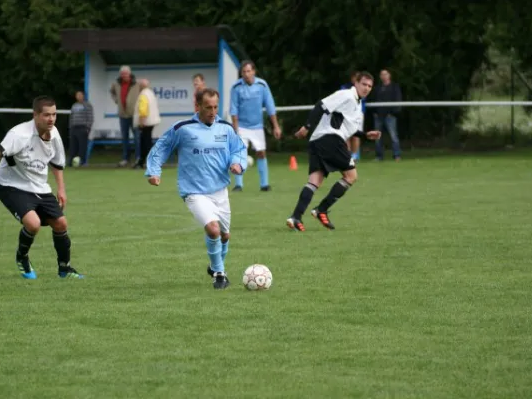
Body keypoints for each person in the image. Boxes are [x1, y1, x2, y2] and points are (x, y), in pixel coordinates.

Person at [0, 96, 84, 280]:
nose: (51, 119)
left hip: (39, 186)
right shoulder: (19, 135)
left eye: (54, 114)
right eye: (46, 115)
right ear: (35, 115)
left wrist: (61, 189)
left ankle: (64, 269)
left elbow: (57, 164)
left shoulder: (54, 134)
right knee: (33, 224)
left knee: (61, 224)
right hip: (11, 185)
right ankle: (22, 257)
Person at [145, 88, 247, 289]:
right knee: (213, 229)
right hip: (194, 191)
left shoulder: (225, 129)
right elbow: (162, 147)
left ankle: (215, 265)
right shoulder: (183, 128)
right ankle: (219, 274)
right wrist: (154, 171)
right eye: (208, 107)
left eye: (215, 107)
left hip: (220, 191)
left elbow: (238, 149)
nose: (212, 111)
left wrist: (237, 164)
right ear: (197, 106)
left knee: (225, 235)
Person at [286, 72, 381, 232]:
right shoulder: (346, 95)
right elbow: (321, 105)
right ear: (356, 83)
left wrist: (365, 135)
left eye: (370, 86)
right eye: (364, 84)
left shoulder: (358, 107)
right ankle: (321, 210)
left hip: (318, 141)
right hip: (330, 140)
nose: (366, 88)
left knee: (314, 181)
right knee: (351, 176)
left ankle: (295, 217)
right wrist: (306, 126)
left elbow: (346, 126)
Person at [229, 60, 281, 192]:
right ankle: (239, 185)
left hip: (257, 126)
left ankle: (264, 184)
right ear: (241, 73)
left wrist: (276, 126)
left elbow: (270, 106)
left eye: (248, 71)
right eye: (244, 72)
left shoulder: (262, 85)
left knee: (261, 153)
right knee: (239, 154)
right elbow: (234, 110)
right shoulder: (236, 88)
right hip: (241, 126)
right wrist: (235, 130)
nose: (246, 74)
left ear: (253, 71)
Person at [109, 65, 141, 167]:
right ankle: (125, 159)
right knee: (125, 138)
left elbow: (146, 92)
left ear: (130, 74)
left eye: (126, 74)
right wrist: (116, 100)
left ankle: (138, 158)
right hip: (122, 115)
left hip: (134, 114)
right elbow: (112, 92)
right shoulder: (116, 84)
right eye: (122, 74)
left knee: (137, 138)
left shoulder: (137, 83)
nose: (124, 76)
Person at [372, 68, 403, 161]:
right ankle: (379, 156)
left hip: (390, 116)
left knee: (394, 136)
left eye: (385, 74)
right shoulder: (377, 88)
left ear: (389, 75)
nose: (383, 76)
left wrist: (393, 112)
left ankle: (396, 155)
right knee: (377, 137)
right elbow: (373, 100)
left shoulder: (394, 87)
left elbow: (398, 100)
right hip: (379, 116)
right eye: (382, 74)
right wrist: (375, 113)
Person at [133, 78, 161, 169]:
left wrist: (141, 122)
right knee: (146, 142)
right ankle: (143, 161)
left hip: (145, 122)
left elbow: (143, 110)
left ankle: (147, 162)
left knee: (145, 143)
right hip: (151, 121)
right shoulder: (150, 93)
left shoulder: (143, 94)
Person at [340, 71, 367, 161]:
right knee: (346, 135)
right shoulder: (344, 87)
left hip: (358, 114)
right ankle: (347, 156)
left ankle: (354, 156)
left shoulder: (363, 87)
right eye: (355, 77)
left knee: (356, 135)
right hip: (346, 114)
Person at [68, 90, 94, 167]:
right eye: (77, 95)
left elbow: (90, 117)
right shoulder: (74, 105)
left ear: (83, 96)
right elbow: (71, 117)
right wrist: (70, 127)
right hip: (74, 128)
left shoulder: (87, 105)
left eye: (80, 95)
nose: (78, 96)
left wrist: (88, 127)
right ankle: (71, 161)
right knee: (73, 146)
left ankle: (82, 162)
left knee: (82, 146)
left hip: (82, 127)